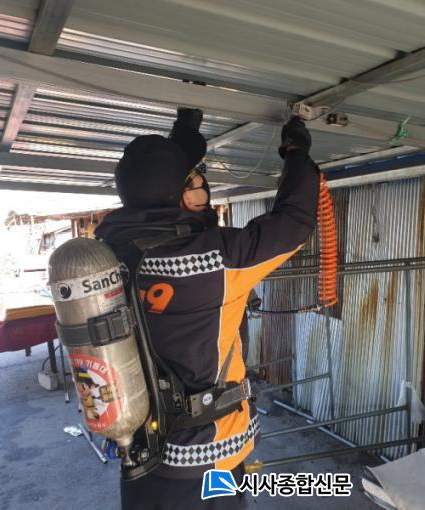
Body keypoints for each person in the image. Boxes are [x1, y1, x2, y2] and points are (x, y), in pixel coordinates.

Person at [95, 108, 320, 509]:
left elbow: (154, 183)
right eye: (196, 183)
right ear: (182, 197)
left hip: (139, 451)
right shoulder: (213, 259)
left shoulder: (108, 255)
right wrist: (296, 153)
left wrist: (185, 133)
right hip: (207, 457)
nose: (203, 188)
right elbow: (294, 222)